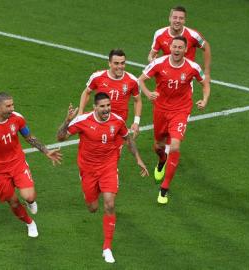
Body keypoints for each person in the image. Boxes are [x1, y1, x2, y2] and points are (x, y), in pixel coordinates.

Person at [57, 92, 149, 263]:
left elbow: (127, 139)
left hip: (109, 167)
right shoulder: (83, 120)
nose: (106, 109)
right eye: (102, 106)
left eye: (108, 105)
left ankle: (107, 247)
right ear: (95, 107)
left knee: (109, 203)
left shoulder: (117, 121)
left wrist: (138, 159)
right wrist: (67, 120)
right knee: (92, 208)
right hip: (88, 169)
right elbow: (60, 137)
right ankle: (91, 192)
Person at [0, 92, 62, 238]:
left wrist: (46, 151)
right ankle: (29, 223)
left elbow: (29, 136)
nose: (12, 108)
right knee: (13, 202)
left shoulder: (17, 118)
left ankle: (30, 202)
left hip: (17, 163)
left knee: (29, 196)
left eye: (12, 105)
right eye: (8, 106)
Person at [139, 36, 210, 204]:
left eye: (180, 47)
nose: (177, 50)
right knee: (159, 146)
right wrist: (148, 93)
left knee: (175, 146)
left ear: (186, 50)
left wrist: (205, 100)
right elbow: (140, 79)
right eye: (175, 46)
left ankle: (164, 189)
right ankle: (162, 160)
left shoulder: (193, 67)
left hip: (181, 110)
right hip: (161, 110)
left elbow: (205, 83)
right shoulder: (159, 63)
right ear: (170, 47)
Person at [78, 49, 142, 138]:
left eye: (122, 63)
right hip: (99, 120)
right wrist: (80, 113)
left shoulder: (133, 81)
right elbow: (86, 92)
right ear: (109, 63)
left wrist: (136, 122)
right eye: (116, 63)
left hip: (118, 124)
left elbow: (137, 100)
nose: (120, 66)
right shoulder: (98, 77)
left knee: (113, 150)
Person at [147, 6, 211, 81]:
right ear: (170, 18)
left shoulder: (193, 35)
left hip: (185, 79)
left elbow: (206, 47)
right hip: (165, 77)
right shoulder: (159, 34)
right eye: (175, 17)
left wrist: (207, 72)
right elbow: (151, 55)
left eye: (181, 18)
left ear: (184, 20)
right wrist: (152, 60)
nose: (177, 21)